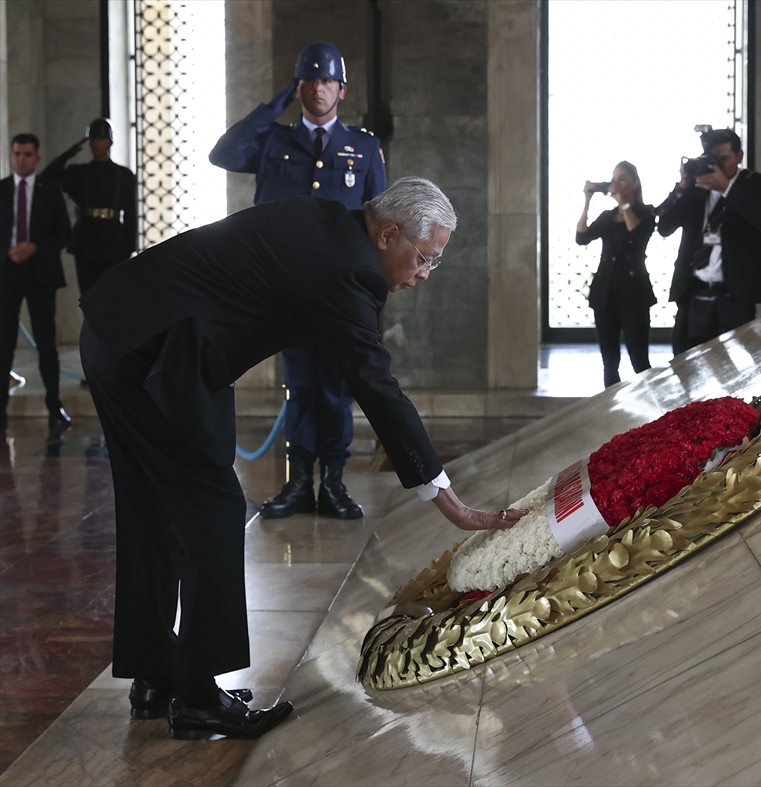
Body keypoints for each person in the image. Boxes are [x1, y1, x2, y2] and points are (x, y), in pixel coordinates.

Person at [79, 176, 521, 740]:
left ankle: (155, 676)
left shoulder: (327, 223)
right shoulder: (350, 269)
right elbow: (374, 381)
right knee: (212, 512)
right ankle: (195, 702)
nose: (424, 275)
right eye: (426, 258)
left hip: (120, 328)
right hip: (159, 354)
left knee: (152, 507)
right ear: (388, 234)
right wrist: (441, 491)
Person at [210, 41, 387, 522]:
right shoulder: (273, 141)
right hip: (284, 289)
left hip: (340, 293)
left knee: (335, 387)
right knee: (299, 385)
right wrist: (274, 106)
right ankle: (296, 483)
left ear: (342, 89)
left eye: (326, 80)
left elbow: (379, 231)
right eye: (308, 81)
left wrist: (372, 300)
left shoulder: (365, 147)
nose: (318, 89)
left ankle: (332, 482)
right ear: (299, 87)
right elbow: (223, 153)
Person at [657, 128, 761, 357]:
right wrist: (682, 188)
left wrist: (726, 188)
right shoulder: (695, 188)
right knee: (685, 363)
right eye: (713, 159)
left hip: (735, 295)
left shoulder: (757, 184)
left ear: (739, 156)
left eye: (724, 159)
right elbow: (664, 227)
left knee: (735, 366)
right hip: (694, 291)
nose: (718, 166)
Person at [1, 133, 73, 432]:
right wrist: (8, 249)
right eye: (17, 153)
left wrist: (35, 247)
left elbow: (64, 234)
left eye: (27, 154)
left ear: (37, 157)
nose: (21, 159)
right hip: (7, 272)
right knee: (4, 343)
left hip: (40, 273)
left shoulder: (50, 190)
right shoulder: (2, 189)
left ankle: (54, 404)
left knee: (46, 342)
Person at [576, 162, 656, 387]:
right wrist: (587, 201)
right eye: (614, 179)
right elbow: (582, 237)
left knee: (638, 358)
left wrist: (623, 203)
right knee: (609, 360)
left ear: (635, 183)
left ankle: (651, 409)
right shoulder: (607, 216)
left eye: (622, 179)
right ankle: (610, 406)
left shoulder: (646, 212)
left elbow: (639, 235)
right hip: (606, 291)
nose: (616, 183)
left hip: (634, 292)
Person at [41, 118, 138, 293]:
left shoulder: (123, 175)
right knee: (87, 297)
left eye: (100, 139)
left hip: (113, 241)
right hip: (86, 241)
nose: (95, 144)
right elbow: (47, 178)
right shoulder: (79, 173)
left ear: (110, 142)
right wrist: (68, 154)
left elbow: (131, 214)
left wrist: (129, 248)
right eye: (92, 140)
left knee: (111, 298)